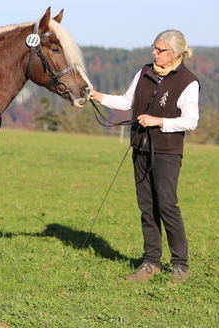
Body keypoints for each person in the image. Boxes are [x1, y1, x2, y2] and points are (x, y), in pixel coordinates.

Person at [90, 29, 199, 283]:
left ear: (173, 54)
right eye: (154, 47)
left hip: (167, 152)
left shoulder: (188, 81)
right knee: (147, 208)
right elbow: (127, 101)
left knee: (167, 207)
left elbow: (191, 121)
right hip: (139, 148)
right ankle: (151, 263)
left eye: (159, 49)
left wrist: (157, 121)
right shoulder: (145, 71)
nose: (154, 52)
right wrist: (98, 96)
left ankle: (180, 265)